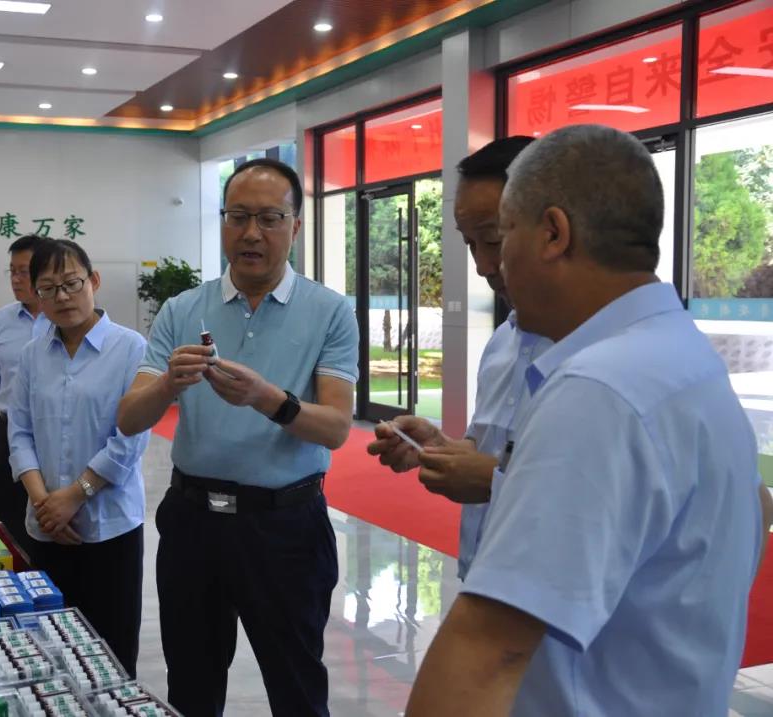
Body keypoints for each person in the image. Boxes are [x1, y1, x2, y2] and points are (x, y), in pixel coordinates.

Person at [402, 124, 773, 716]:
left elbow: (488, 650)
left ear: (553, 233)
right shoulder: (684, 358)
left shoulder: (600, 388)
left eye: (503, 235)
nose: (490, 266)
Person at [117, 158, 359, 716]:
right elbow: (129, 418)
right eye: (238, 216)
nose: (252, 233)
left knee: (297, 687)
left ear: (295, 226)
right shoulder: (183, 309)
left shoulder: (329, 312)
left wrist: (266, 398)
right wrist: (167, 385)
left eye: (270, 218)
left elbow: (336, 427)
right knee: (192, 686)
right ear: (223, 222)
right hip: (193, 524)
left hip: (285, 529)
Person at [368, 136, 546, 582]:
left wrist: (492, 482)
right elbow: (488, 449)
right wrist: (437, 446)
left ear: (556, 228)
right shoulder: (503, 343)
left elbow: (612, 503)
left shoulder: (606, 362)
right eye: (470, 244)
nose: (484, 266)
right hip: (484, 578)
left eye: (493, 240)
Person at [8, 238, 149, 677]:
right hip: (47, 528)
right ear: (37, 295)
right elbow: (20, 432)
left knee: (111, 654)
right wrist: (43, 504)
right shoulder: (33, 354)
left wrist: (75, 495)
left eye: (72, 283)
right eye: (48, 289)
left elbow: (129, 438)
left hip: (110, 527)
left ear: (94, 281)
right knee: (52, 650)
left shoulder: (131, 348)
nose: (63, 297)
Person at [0, 234, 51, 554]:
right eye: (12, 271)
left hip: (53, 431)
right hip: (9, 430)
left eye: (24, 271)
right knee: (9, 517)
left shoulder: (65, 320)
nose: (16, 279)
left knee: (51, 514)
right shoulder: (1, 321)